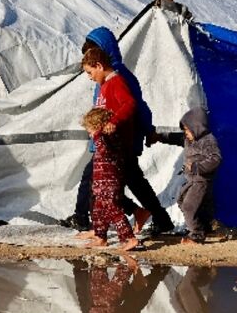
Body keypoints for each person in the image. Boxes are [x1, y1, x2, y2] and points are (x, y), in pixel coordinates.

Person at [64, 27, 174, 236]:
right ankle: (157, 218)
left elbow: (136, 105)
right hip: (108, 140)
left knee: (98, 180)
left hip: (120, 142)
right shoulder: (104, 80)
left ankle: (85, 219)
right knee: (129, 181)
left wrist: (148, 130)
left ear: (102, 55)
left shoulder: (119, 77)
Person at [154, 107, 222, 245]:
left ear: (196, 127)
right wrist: (159, 137)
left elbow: (216, 159)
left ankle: (196, 234)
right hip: (191, 180)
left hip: (201, 180)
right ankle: (204, 228)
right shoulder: (188, 139)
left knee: (189, 206)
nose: (185, 133)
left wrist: (197, 166)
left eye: (187, 129)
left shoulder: (207, 141)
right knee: (182, 200)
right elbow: (173, 137)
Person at [77, 107, 141, 251]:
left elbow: (107, 152)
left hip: (109, 182)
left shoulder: (108, 137)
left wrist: (98, 135)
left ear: (97, 125)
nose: (89, 133)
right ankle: (101, 237)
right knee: (98, 210)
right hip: (101, 182)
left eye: (90, 129)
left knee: (114, 209)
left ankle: (129, 237)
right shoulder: (104, 137)